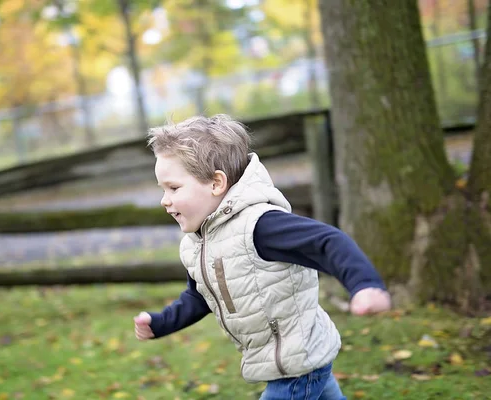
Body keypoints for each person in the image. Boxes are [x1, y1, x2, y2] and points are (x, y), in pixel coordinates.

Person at [133, 114, 391, 399]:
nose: (164, 199)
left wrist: (365, 285)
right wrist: (161, 323)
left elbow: (327, 242)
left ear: (216, 183)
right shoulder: (197, 242)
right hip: (287, 361)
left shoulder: (260, 225)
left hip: (297, 363)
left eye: (174, 188)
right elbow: (199, 296)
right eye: (163, 189)